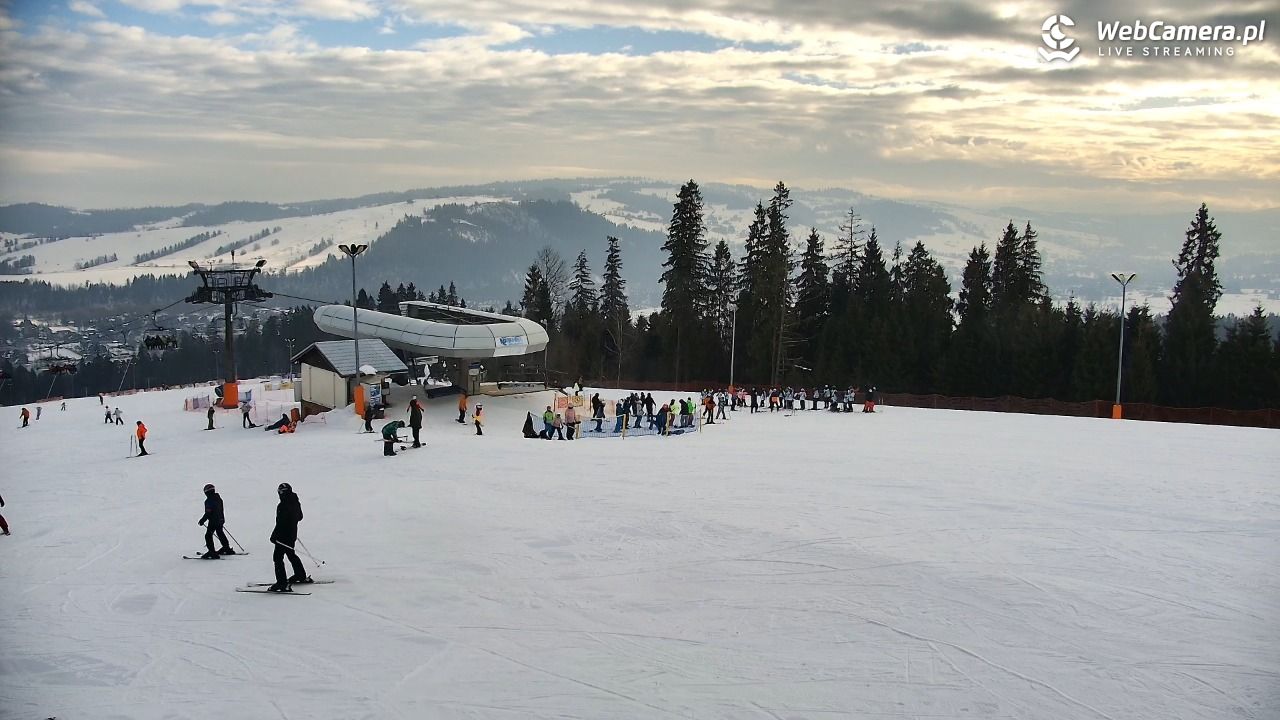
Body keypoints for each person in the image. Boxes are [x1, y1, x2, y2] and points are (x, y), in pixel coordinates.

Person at [268, 482, 307, 592]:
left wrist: (274, 536)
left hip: (283, 536)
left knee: (277, 558)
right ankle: (300, 575)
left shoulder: (283, 505)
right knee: (291, 554)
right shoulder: (294, 501)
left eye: (281, 492)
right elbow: (300, 517)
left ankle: (282, 583)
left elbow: (281, 523)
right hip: (291, 534)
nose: (279, 494)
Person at [198, 483, 233, 558]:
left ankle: (212, 552)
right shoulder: (218, 498)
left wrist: (202, 520)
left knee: (208, 535)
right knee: (220, 533)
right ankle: (226, 548)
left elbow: (208, 512)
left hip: (213, 521)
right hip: (220, 519)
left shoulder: (209, 500)